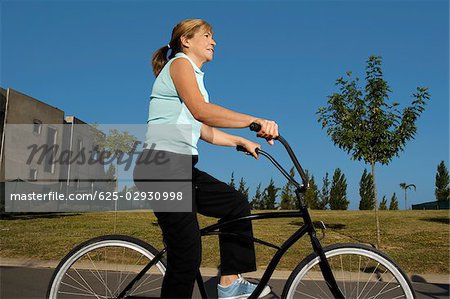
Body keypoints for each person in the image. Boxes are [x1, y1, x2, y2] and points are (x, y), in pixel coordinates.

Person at [134, 19, 279, 299]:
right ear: (186, 40)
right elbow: (201, 111)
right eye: (208, 36)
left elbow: (205, 130)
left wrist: (242, 140)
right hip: (162, 167)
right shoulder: (179, 64)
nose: (214, 42)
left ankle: (229, 284)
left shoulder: (195, 77)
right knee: (186, 255)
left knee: (236, 204)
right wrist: (255, 120)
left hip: (182, 167)